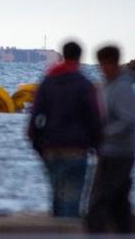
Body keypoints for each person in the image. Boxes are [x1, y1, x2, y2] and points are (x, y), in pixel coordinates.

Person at [27, 41, 102, 218]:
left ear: (63, 55)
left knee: (56, 197)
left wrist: (38, 144)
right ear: (80, 57)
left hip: (51, 149)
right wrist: (96, 146)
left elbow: (35, 116)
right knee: (72, 199)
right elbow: (94, 119)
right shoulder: (84, 85)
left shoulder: (48, 81)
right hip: (76, 149)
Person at [85, 45, 135, 232]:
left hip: (118, 153)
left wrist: (104, 133)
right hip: (109, 151)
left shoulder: (122, 88)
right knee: (119, 201)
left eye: (104, 64)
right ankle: (124, 237)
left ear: (112, 63)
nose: (101, 69)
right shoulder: (108, 86)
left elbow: (129, 120)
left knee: (99, 201)